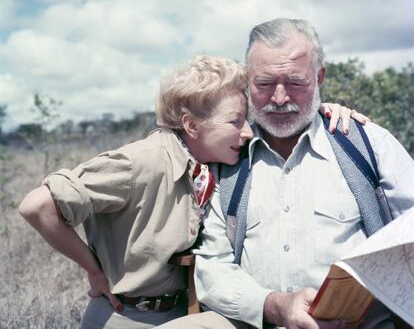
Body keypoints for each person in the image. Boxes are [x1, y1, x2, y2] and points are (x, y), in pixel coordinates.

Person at [19, 54, 363, 329]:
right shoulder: (142, 162)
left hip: (187, 314)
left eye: (246, 120)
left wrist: (324, 112)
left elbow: (281, 123)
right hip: (126, 316)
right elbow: (38, 206)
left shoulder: (211, 162)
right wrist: (94, 271)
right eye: (234, 121)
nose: (245, 132)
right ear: (191, 125)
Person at [158, 19, 414, 329]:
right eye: (264, 84)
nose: (279, 98)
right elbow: (213, 268)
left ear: (319, 77)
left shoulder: (366, 144)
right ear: (247, 81)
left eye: (295, 82)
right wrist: (275, 306)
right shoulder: (225, 160)